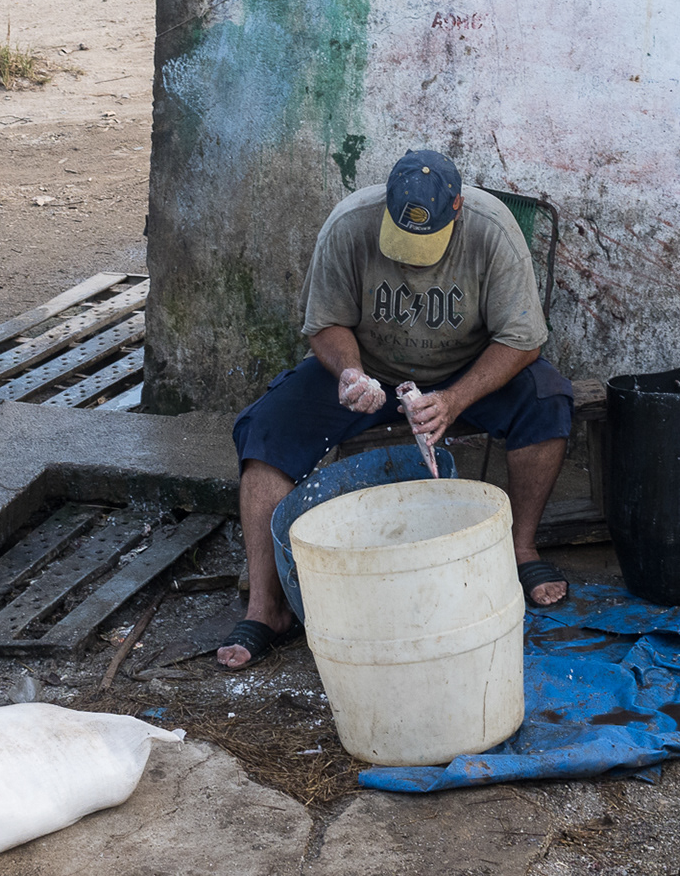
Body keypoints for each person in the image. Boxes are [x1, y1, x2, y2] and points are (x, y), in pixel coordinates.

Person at [218, 149, 573, 670]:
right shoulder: (349, 225)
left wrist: (454, 399)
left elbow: (522, 341)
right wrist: (349, 372)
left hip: (464, 368)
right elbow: (325, 322)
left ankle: (520, 550)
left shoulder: (492, 230)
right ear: (385, 205)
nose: (409, 257)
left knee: (548, 403)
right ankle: (267, 608)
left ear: (457, 207)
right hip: (367, 367)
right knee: (266, 432)